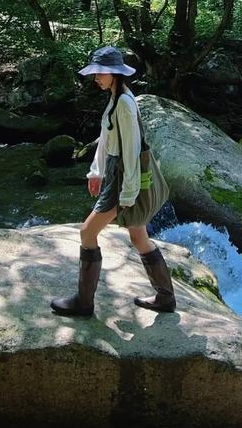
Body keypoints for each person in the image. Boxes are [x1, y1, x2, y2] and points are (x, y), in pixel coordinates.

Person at [50, 45, 177, 318]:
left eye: (101, 72)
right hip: (117, 175)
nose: (96, 77)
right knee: (139, 235)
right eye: (95, 73)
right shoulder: (116, 98)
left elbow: (131, 150)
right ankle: (166, 298)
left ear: (116, 74)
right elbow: (107, 139)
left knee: (87, 233)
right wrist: (96, 171)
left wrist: (128, 193)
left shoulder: (125, 104)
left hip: (123, 179)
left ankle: (84, 303)